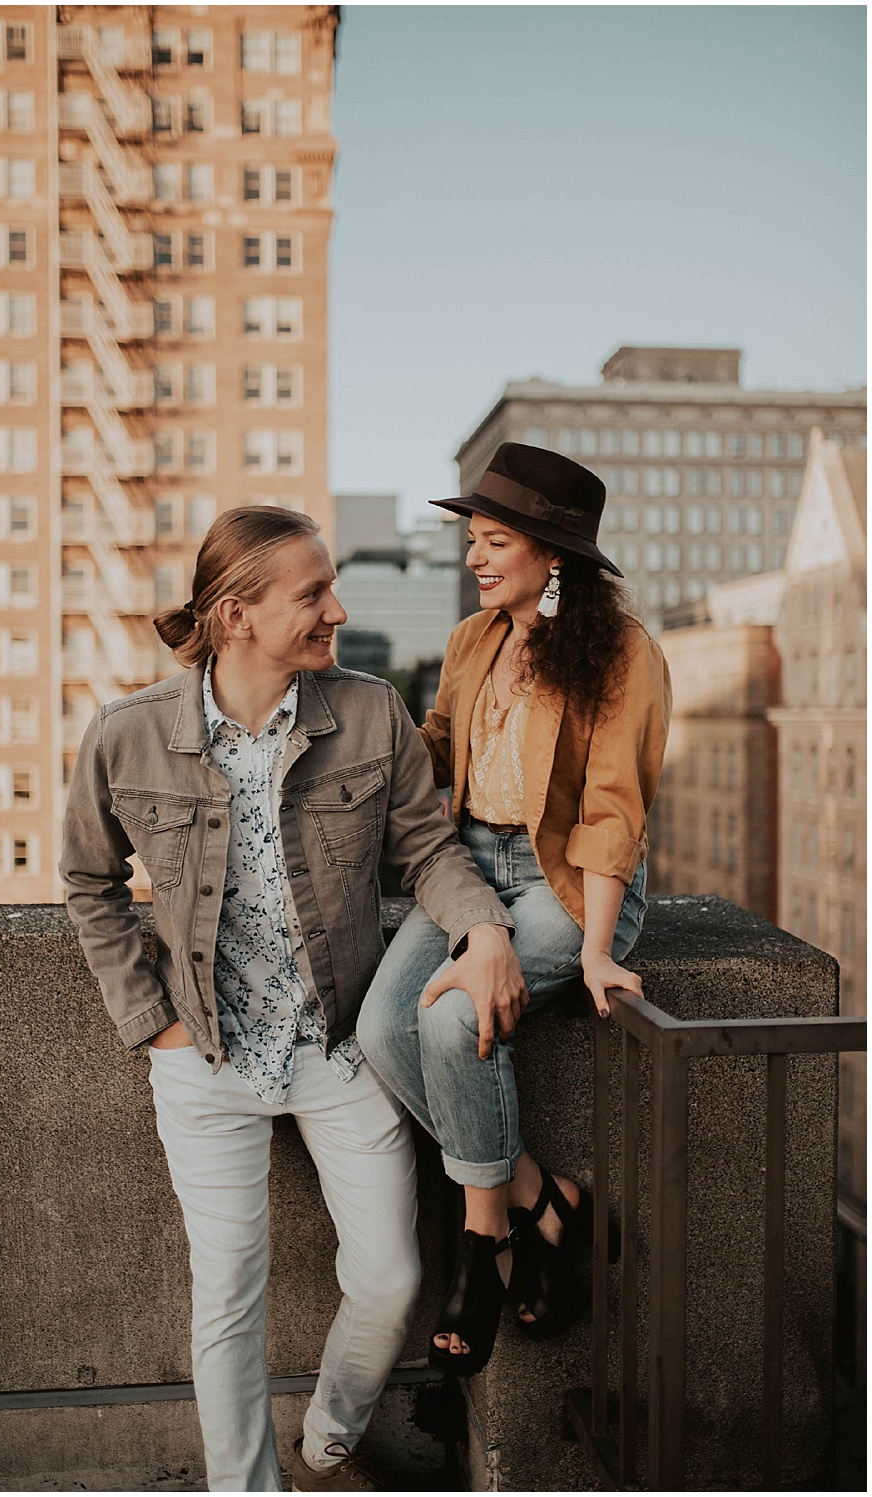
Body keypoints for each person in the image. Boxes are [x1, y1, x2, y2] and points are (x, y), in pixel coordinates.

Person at [59, 505, 526, 1492]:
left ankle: (330, 1432)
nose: (334, 609)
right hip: (205, 1062)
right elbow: (87, 883)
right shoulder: (126, 735)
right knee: (224, 1297)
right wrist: (154, 1025)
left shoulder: (366, 713)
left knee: (390, 1278)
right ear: (236, 614)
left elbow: (426, 852)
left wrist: (482, 927)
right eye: (311, 593)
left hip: (338, 1046)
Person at [357, 443, 668, 1375]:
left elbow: (614, 810)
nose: (475, 559)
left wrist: (600, 947)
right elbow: (436, 750)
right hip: (469, 868)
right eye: (474, 540)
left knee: (460, 1017)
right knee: (381, 1027)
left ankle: (487, 1240)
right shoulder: (471, 639)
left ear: (553, 552)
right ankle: (544, 1196)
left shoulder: (624, 654)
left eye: (495, 541)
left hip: (567, 880)